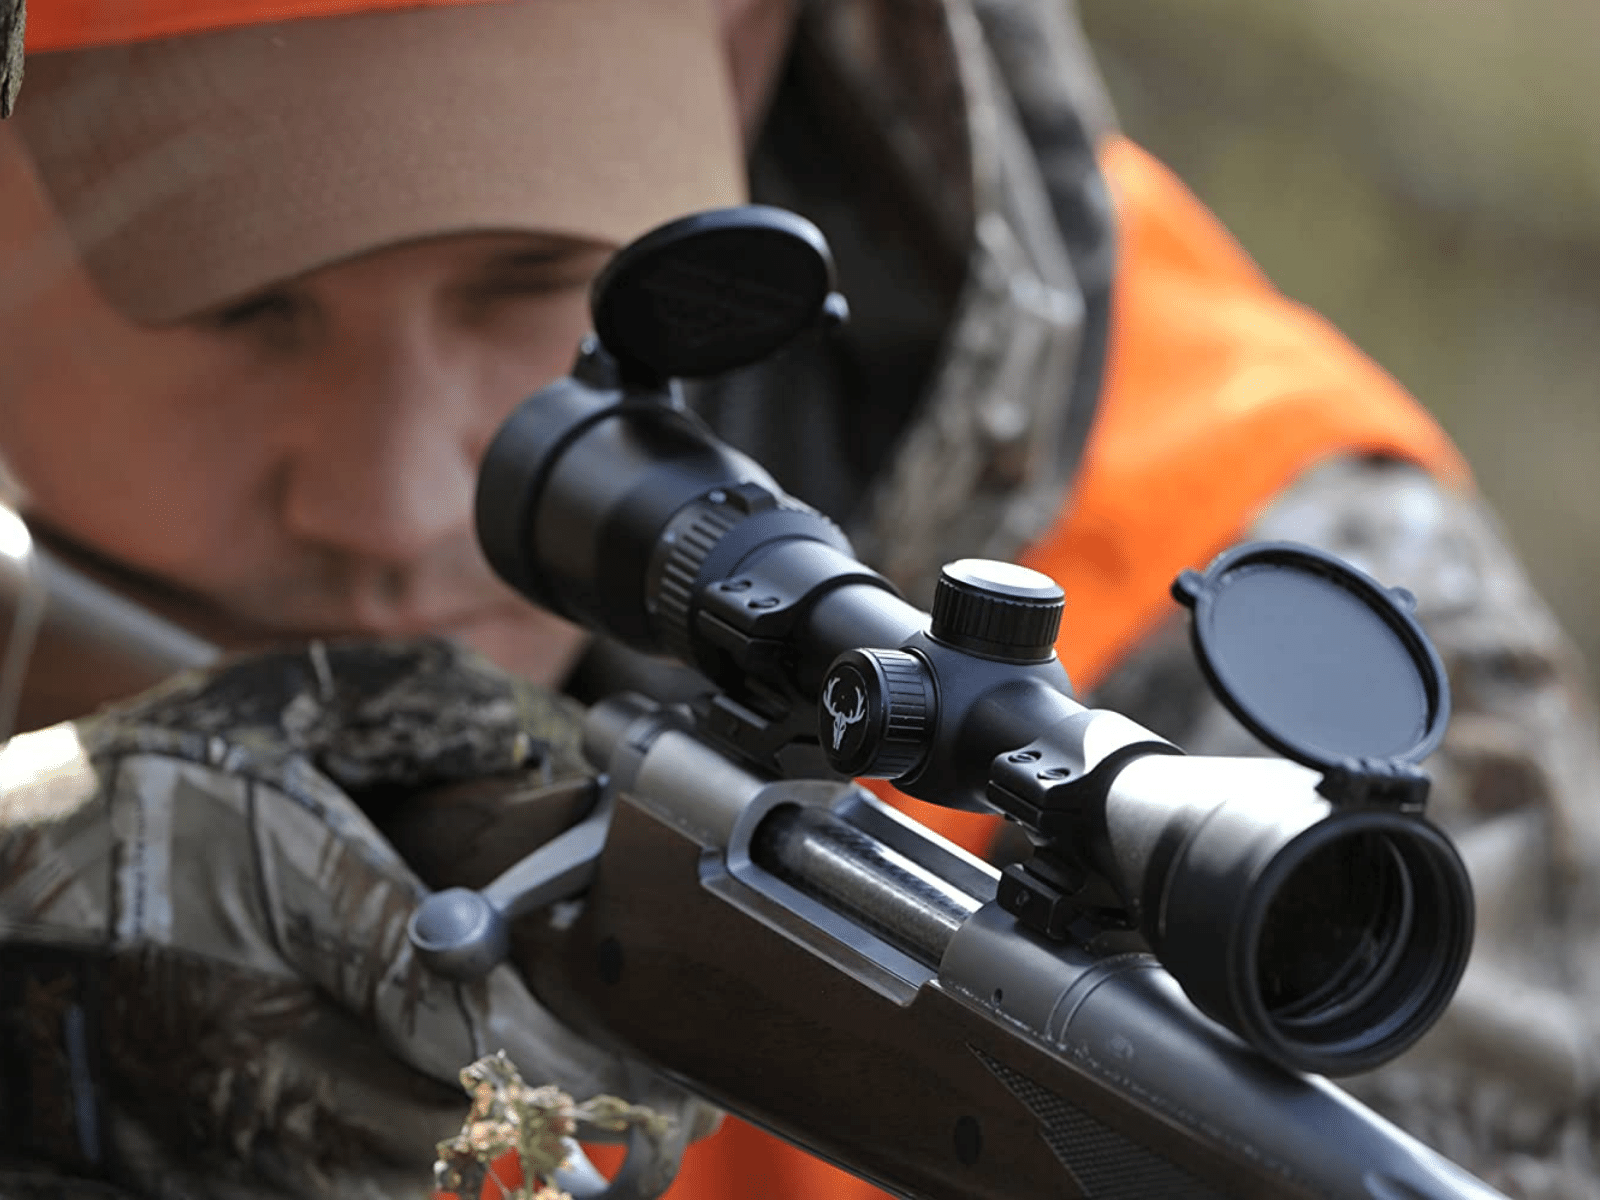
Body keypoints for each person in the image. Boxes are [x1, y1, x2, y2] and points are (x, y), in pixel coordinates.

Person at [2, 2, 1597, 1198]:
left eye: (524, 281)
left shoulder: (1258, 598)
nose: (404, 497)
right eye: (243, 312)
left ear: (750, 41)